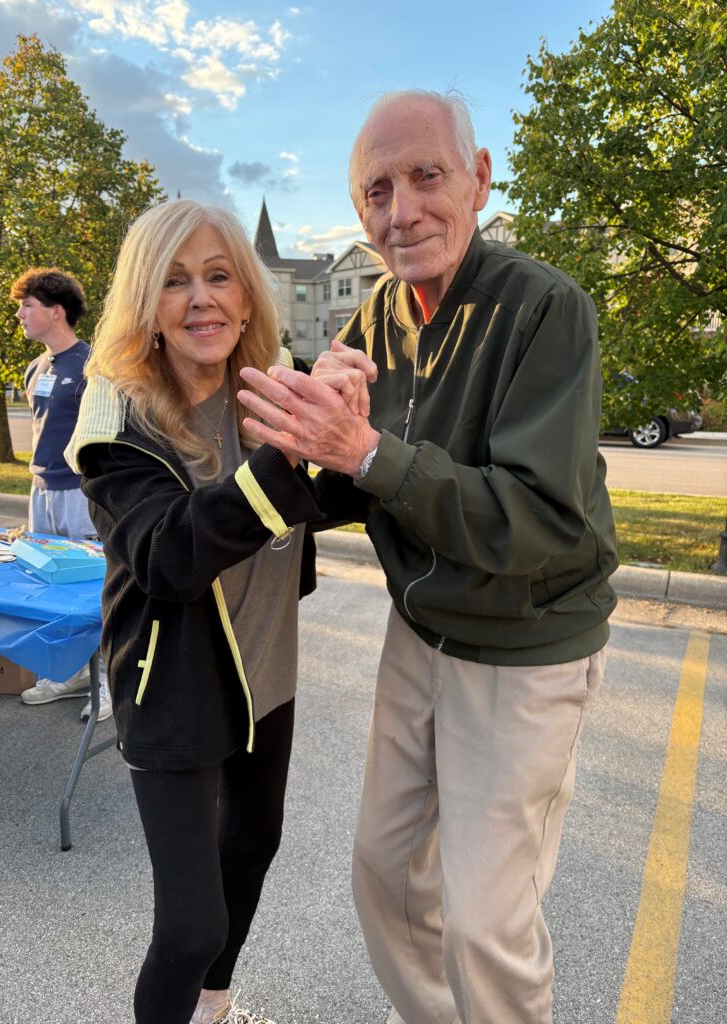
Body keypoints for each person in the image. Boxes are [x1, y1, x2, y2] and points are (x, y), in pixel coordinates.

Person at [237, 90, 619, 1024]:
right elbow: (346, 484)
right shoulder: (374, 316)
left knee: (485, 924)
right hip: (421, 635)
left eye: (425, 176)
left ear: (479, 179)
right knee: (386, 879)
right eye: (376, 190)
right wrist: (296, 448)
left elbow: (538, 523)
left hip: (526, 646)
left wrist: (366, 452)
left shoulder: (545, 310)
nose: (400, 209)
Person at [64, 198, 322, 1024]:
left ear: (248, 296)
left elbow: (330, 494)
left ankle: (215, 1007)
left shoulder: (272, 394)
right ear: (146, 305)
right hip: (170, 682)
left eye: (219, 276)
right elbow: (167, 556)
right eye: (174, 282)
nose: (201, 298)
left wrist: (352, 435)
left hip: (266, 673)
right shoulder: (118, 419)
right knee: (188, 926)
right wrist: (289, 458)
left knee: (251, 850)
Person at [11, 268, 112, 722]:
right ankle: (70, 673)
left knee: (95, 588)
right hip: (42, 492)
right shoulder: (37, 368)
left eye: (27, 306)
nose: (19, 314)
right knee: (50, 587)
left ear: (55, 312)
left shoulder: (94, 364)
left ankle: (108, 682)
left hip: (80, 494)